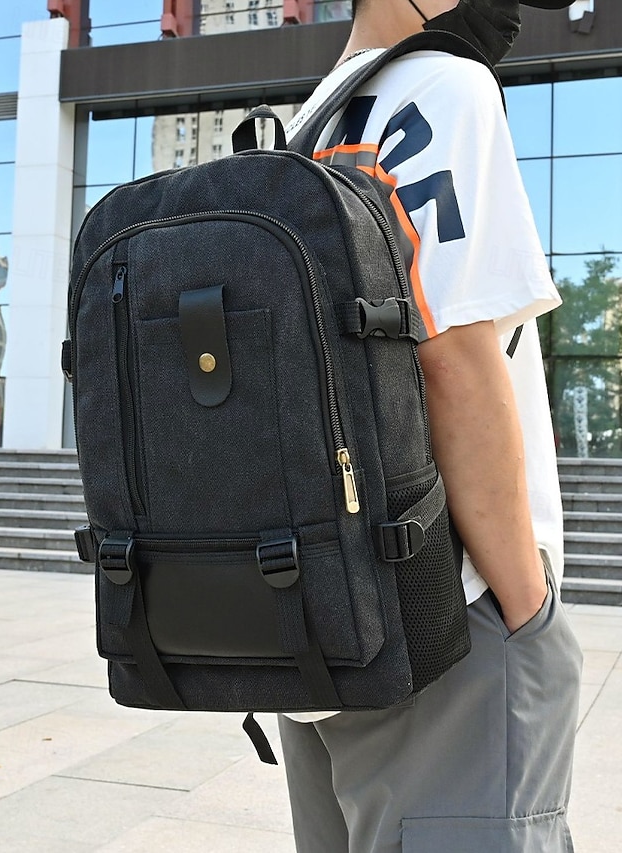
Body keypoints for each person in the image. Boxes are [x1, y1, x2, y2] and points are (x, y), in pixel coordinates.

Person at [278, 2, 583, 851]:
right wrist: (529, 611)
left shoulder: (305, 128)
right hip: (449, 616)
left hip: (321, 631)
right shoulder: (445, 85)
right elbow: (453, 357)